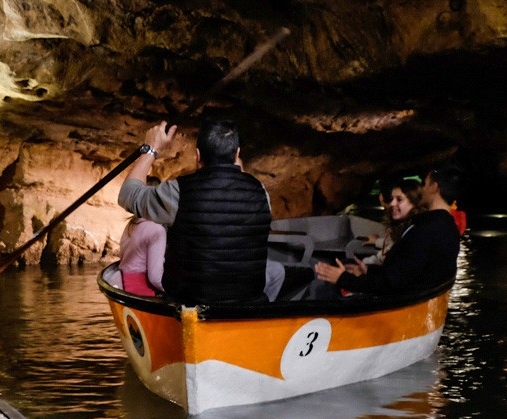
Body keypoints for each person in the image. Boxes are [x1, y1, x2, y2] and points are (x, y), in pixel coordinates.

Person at [117, 118, 283, 305]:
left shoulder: (179, 192)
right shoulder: (261, 192)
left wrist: (151, 149)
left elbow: (128, 195)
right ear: (237, 154)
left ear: (197, 156)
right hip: (247, 306)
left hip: (192, 309)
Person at [311, 165, 463, 297]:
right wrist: (369, 271)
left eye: (425, 184)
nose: (422, 189)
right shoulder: (448, 227)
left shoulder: (426, 231)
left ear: (434, 187)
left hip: (402, 305)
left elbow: (393, 283)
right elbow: (407, 272)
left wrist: (342, 278)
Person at [362, 176, 423, 267]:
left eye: (399, 199)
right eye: (391, 199)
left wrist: (366, 268)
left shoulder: (415, 232)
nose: (392, 204)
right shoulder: (400, 227)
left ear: (414, 202)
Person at [117, 217, 166, 296]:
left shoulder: (132, 223)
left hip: (124, 285)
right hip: (143, 291)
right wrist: (173, 291)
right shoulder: (157, 230)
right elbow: (155, 278)